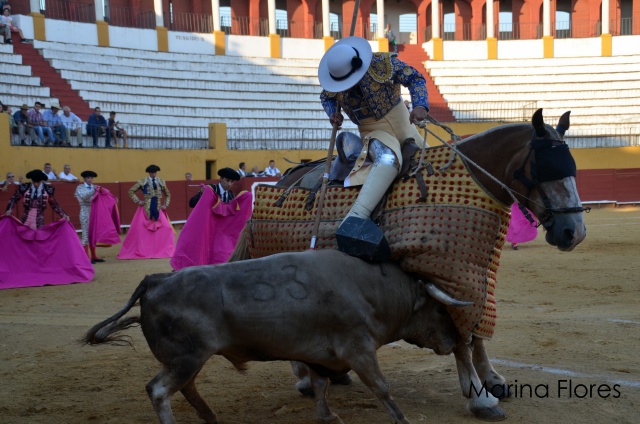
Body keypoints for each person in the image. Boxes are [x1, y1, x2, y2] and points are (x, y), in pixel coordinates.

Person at [318, 36, 429, 260]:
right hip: (373, 132)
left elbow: (415, 78)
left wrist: (419, 104)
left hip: (405, 123)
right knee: (388, 160)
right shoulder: (335, 82)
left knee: (432, 161)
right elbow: (325, 97)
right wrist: (333, 113)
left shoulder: (381, 63)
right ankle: (357, 217)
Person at [5, 169, 69, 230]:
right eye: (34, 182)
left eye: (38, 182)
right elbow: (14, 199)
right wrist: (9, 209)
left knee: (38, 237)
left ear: (41, 180)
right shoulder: (25, 187)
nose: (36, 184)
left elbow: (54, 204)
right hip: (25, 219)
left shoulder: (48, 189)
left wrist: (63, 214)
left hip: (39, 220)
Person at [74, 170, 104, 264]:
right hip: (85, 212)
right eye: (88, 178)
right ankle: (86, 257)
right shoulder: (80, 187)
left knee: (93, 234)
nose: (90, 180)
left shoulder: (95, 188)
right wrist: (93, 190)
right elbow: (84, 197)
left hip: (94, 212)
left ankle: (94, 256)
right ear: (84, 179)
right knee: (86, 234)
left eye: (91, 178)